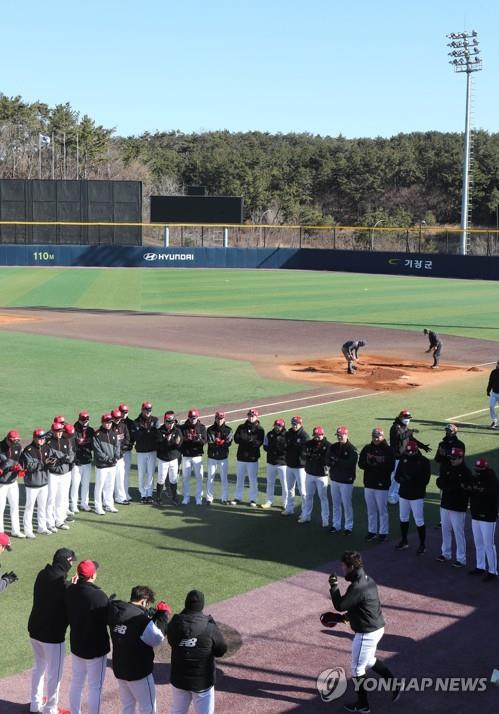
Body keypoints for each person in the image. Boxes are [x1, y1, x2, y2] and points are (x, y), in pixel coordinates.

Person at [329, 551, 399, 713]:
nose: (342, 569)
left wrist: (333, 586)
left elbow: (341, 605)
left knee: (357, 669)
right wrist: (343, 619)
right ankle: (394, 684)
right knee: (368, 661)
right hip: (377, 627)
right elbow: (360, 606)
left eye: (344, 567)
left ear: (351, 567)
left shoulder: (357, 586)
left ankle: (363, 705)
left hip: (366, 633)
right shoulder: (367, 580)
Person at [108, 585, 172, 714]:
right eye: (147, 604)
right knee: (148, 708)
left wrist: (149, 616)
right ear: (143, 601)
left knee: (128, 706)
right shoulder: (142, 620)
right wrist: (162, 617)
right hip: (139, 672)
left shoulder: (115, 611)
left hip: (120, 669)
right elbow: (157, 638)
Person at [28, 547, 77, 714]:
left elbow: (54, 588)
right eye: (71, 561)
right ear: (65, 561)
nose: (71, 564)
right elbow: (64, 597)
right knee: (54, 675)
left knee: (39, 667)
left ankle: (35, 704)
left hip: (34, 629)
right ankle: (51, 709)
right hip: (52, 636)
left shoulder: (43, 574)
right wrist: (72, 586)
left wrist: (69, 584)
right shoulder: (63, 584)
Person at [167, 589, 227, 714]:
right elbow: (221, 650)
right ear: (201, 605)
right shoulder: (209, 627)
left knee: (177, 711)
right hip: (202, 682)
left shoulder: (174, 623)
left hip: (179, 679)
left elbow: (172, 642)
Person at [65, 560, 110, 714]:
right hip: (95, 649)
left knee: (77, 683)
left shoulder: (70, 590)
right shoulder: (99, 595)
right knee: (95, 687)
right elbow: (108, 619)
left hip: (77, 645)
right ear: (93, 575)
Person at [20, 429, 61, 538]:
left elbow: (54, 458)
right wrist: (44, 463)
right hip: (32, 484)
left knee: (42, 507)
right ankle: (28, 530)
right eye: (39, 438)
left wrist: (53, 462)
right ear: (34, 438)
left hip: (44, 482)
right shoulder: (28, 450)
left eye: (43, 438)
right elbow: (29, 466)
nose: (42, 440)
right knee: (29, 507)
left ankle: (42, 527)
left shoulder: (47, 447)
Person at [358, 428, 395, 542]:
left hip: (382, 485)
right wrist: (370, 463)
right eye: (374, 436)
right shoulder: (367, 448)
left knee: (382, 510)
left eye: (378, 436)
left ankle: (383, 532)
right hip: (369, 483)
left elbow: (391, 467)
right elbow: (361, 464)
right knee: (371, 510)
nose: (376, 438)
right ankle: (372, 531)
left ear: (383, 437)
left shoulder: (388, 450)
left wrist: (378, 464)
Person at [394, 441, 431, 554]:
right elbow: (397, 476)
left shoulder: (424, 461)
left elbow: (425, 480)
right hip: (404, 494)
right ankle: (404, 540)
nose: (409, 453)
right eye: (408, 451)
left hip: (417, 496)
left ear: (416, 450)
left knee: (419, 520)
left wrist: (411, 480)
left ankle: (422, 545)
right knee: (403, 518)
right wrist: (403, 480)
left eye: (411, 451)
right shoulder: (403, 459)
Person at [435, 447, 470, 568]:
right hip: (445, 504)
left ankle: (461, 558)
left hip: (458, 507)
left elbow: (465, 491)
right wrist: (448, 485)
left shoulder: (466, 472)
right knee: (445, 530)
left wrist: (449, 485)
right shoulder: (447, 468)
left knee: (458, 532)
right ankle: (446, 553)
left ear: (461, 458)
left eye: (455, 458)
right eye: (451, 458)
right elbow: (439, 483)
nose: (452, 460)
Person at [465, 458, 498, 582]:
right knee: (478, 542)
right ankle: (480, 566)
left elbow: (492, 494)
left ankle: (493, 571)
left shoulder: (492, 480)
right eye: (477, 468)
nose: (478, 471)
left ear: (486, 468)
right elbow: (471, 492)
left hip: (488, 516)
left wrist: (480, 491)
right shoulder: (475, 479)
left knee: (488, 544)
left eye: (480, 468)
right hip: (476, 515)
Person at [388, 410, 431, 505]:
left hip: (404, 456)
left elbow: (412, 439)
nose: (407, 420)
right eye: (405, 418)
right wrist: (410, 431)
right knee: (394, 477)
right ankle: (390, 496)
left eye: (408, 418)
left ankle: (396, 495)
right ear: (400, 418)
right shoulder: (395, 427)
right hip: (396, 457)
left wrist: (423, 446)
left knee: (400, 476)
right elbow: (398, 437)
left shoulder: (405, 428)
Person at [231, 409, 265, 507]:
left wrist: (245, 439)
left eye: (253, 416)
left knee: (253, 480)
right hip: (241, 457)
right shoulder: (241, 427)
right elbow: (236, 439)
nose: (251, 417)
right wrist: (249, 439)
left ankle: (253, 499)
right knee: (239, 479)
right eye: (249, 415)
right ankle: (237, 497)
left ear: (256, 417)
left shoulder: (260, 429)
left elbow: (258, 443)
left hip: (252, 458)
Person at [328, 426, 357, 535]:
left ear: (346, 435)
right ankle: (336, 525)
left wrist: (336, 460)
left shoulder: (351, 449)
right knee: (335, 504)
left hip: (346, 481)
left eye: (341, 435)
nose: (339, 437)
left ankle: (348, 527)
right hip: (335, 479)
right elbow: (328, 459)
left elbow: (349, 464)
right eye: (338, 435)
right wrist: (333, 461)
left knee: (346, 504)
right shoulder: (333, 446)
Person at [299, 426, 331, 527]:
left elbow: (329, 460)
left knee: (323, 498)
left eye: (319, 435)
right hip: (309, 474)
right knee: (308, 496)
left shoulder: (328, 445)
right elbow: (303, 456)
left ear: (323, 435)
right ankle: (306, 516)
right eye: (315, 435)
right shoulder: (308, 444)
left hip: (321, 476)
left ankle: (325, 519)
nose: (317, 437)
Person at [46, 422, 74, 532]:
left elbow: (71, 456)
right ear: (53, 431)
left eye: (61, 431)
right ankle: (50, 523)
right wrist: (63, 458)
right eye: (57, 432)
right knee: (51, 499)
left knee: (61, 498)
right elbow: (50, 460)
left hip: (65, 473)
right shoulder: (48, 443)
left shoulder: (66, 440)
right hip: (53, 474)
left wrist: (62, 458)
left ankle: (59, 520)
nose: (59, 433)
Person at [92, 414, 120, 515]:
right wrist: (109, 459)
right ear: (102, 422)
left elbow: (117, 446)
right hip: (102, 466)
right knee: (99, 486)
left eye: (110, 422)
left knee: (110, 485)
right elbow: (97, 451)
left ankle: (109, 505)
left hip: (112, 465)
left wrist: (116, 457)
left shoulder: (113, 433)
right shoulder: (97, 434)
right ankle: (98, 506)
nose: (108, 424)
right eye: (107, 422)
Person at [0, 430, 25, 537]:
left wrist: (19, 468)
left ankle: (16, 530)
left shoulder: (17, 447)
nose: (14, 443)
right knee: (1, 508)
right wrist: (9, 468)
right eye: (12, 441)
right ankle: (0, 533)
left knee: (15, 506)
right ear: (7, 439)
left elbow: (19, 460)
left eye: (16, 441)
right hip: (1, 483)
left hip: (13, 481)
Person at [283, 416, 309, 517]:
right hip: (289, 465)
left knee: (303, 491)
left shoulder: (304, 436)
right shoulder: (288, 434)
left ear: (300, 424)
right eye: (293, 423)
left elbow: (304, 452)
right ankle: (289, 508)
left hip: (300, 467)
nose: (294, 425)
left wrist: (292, 448)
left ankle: (304, 512)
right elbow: (285, 447)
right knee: (289, 489)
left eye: (296, 423)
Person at [180, 409, 207, 506]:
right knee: (185, 477)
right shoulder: (183, 427)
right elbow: (180, 441)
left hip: (197, 456)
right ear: (188, 417)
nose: (193, 419)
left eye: (194, 418)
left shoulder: (202, 427)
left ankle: (198, 498)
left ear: (198, 417)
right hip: (186, 456)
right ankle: (186, 497)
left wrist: (197, 439)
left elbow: (204, 441)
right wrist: (188, 439)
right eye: (191, 417)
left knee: (199, 477)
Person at [156, 411, 184, 505]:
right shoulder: (160, 431)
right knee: (161, 478)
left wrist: (175, 443)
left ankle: (174, 498)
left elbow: (179, 445)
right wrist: (167, 442)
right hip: (163, 459)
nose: (170, 425)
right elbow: (159, 446)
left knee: (173, 479)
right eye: (168, 422)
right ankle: (158, 498)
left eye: (172, 422)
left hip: (173, 459)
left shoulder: (177, 431)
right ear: (165, 422)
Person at [134, 402, 160, 504]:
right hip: (141, 451)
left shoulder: (155, 420)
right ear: (142, 410)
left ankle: (149, 494)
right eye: (146, 410)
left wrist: (147, 432)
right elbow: (137, 436)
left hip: (152, 451)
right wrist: (148, 432)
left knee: (150, 474)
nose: (148, 412)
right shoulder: (136, 422)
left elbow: (157, 434)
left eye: (149, 410)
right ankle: (142, 494)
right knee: (141, 474)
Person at [206, 411, 233, 505]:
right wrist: (221, 443)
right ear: (215, 418)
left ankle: (224, 498)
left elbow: (228, 443)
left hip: (223, 458)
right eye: (218, 418)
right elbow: (210, 442)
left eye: (221, 418)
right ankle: (209, 498)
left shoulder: (229, 430)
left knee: (224, 478)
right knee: (210, 478)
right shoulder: (210, 429)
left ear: (224, 418)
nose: (220, 420)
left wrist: (220, 443)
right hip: (212, 457)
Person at [261, 419, 288, 510]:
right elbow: (265, 446)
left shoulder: (287, 435)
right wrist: (272, 450)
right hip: (271, 462)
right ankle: (269, 501)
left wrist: (277, 450)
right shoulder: (269, 434)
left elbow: (287, 449)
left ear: (283, 426)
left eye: (279, 426)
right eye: (276, 425)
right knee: (270, 483)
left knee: (284, 484)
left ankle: (286, 503)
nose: (277, 427)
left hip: (283, 463)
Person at [73, 411, 95, 513]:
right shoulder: (73, 430)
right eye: (83, 420)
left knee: (86, 484)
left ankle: (84, 503)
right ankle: (74, 505)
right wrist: (74, 459)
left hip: (87, 461)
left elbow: (93, 446)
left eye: (86, 420)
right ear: (79, 419)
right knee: (75, 484)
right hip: (76, 463)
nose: (85, 422)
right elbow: (71, 447)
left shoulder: (91, 431)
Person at [112, 408, 131, 506]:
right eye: (115, 418)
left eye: (118, 417)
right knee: (110, 479)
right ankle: (109, 498)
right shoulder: (109, 427)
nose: (117, 419)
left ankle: (121, 497)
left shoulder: (123, 426)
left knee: (120, 477)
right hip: (111, 458)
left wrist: (122, 449)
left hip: (120, 457)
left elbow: (127, 439)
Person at [119, 404, 136, 501]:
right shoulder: (115, 423)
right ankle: (118, 494)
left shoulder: (131, 423)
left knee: (126, 473)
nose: (124, 414)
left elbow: (133, 437)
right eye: (122, 412)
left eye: (126, 412)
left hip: (127, 452)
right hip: (117, 453)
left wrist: (129, 444)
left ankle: (125, 492)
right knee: (117, 474)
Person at [486, 361, 499, 428]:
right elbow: (490, 381)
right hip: (494, 393)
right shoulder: (493, 372)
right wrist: (488, 390)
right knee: (491, 406)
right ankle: (494, 421)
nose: (498, 365)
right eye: (498, 364)